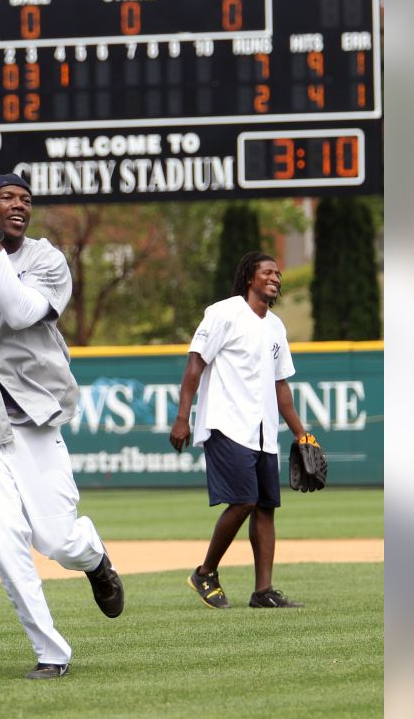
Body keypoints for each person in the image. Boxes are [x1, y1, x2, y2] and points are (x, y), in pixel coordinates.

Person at [0, 173, 124, 680]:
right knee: (8, 541)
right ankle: (52, 652)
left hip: (34, 421)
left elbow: (19, 311)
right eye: (7, 197)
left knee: (55, 541)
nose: (19, 205)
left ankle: (94, 557)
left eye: (25, 200)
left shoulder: (47, 261)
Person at [169, 251, 312, 610]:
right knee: (245, 500)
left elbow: (282, 387)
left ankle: (263, 591)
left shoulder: (276, 327)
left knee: (265, 507)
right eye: (268, 272)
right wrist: (183, 416)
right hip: (225, 422)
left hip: (264, 431)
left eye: (278, 274)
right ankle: (205, 572)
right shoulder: (224, 313)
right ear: (250, 277)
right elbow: (195, 364)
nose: (276, 278)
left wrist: (300, 434)